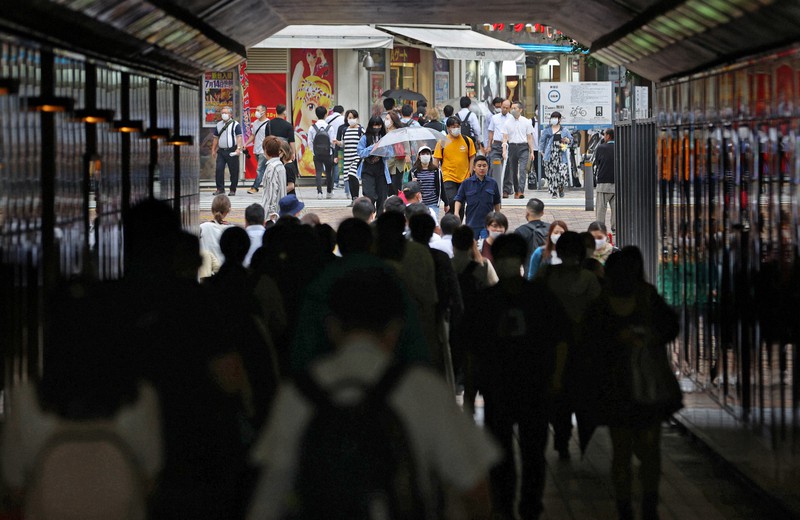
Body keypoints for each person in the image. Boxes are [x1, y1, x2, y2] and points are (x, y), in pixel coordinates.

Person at [247, 268, 498, 520]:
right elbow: (476, 491)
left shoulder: (297, 394)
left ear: (332, 326)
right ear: (395, 328)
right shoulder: (423, 388)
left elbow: (267, 500)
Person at [462, 234, 568, 520]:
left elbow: (471, 349)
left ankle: (514, 505)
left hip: (515, 385)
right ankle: (518, 505)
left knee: (517, 451)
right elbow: (560, 340)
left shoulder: (492, 300)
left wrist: (471, 391)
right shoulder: (537, 297)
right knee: (519, 451)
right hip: (516, 385)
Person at [587, 247, 680, 520]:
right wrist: (647, 337)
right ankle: (647, 504)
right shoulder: (647, 296)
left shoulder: (602, 303)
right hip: (643, 387)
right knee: (648, 451)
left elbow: (590, 343)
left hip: (618, 387)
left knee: (622, 451)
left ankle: (626, 506)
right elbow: (671, 327)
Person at [537, 231, 602, 461]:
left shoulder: (582, 277)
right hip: (562, 344)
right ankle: (566, 439)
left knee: (570, 395)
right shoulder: (555, 274)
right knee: (565, 396)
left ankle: (568, 440)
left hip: (576, 345)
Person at [434, 116, 477, 216]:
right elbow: (436, 159)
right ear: (448, 128)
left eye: (458, 126)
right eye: (453, 127)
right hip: (448, 177)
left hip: (464, 178)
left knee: (461, 203)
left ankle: (457, 223)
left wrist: (470, 173)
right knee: (452, 201)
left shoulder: (467, 141)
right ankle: (449, 221)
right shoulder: (442, 142)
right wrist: (435, 176)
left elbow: (472, 157)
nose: (456, 129)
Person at [452, 155, 501, 239]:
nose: (482, 168)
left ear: (488, 167)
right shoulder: (466, 183)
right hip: (472, 223)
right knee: (472, 245)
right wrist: (456, 213)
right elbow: (459, 199)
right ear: (474, 168)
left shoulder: (493, 183)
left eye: (484, 166)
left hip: (488, 224)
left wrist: (498, 216)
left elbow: (497, 201)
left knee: (486, 245)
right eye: (479, 166)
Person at [357, 115, 392, 214]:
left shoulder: (385, 138)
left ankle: (379, 217)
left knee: (382, 196)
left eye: (379, 125)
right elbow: (360, 152)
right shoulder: (364, 138)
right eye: (374, 125)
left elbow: (390, 154)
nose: (377, 128)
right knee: (370, 195)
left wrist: (382, 150)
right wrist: (373, 147)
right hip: (368, 169)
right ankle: (369, 214)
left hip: (381, 169)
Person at [501, 101, 535, 199]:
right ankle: (516, 190)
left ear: (520, 110)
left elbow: (529, 138)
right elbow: (505, 138)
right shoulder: (507, 122)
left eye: (515, 108)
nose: (512, 110)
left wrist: (532, 151)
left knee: (522, 169)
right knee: (513, 171)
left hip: (523, 147)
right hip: (512, 147)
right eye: (512, 108)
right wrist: (504, 151)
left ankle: (521, 191)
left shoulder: (526, 122)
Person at [211, 106, 243, 196]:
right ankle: (220, 189)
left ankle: (232, 189)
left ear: (230, 114)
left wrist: (238, 148)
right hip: (221, 151)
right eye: (222, 113)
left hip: (232, 150)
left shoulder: (235, 124)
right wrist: (213, 149)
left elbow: (239, 137)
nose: (224, 115)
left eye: (226, 113)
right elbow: (215, 138)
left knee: (234, 171)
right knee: (219, 169)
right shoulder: (218, 125)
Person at [540, 110, 573, 198]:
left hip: (561, 154)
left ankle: (561, 187)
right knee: (551, 175)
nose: (554, 119)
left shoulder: (564, 130)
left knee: (562, 174)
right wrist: (542, 152)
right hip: (550, 155)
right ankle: (554, 192)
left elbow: (571, 140)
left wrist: (567, 140)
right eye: (553, 118)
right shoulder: (547, 130)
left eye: (556, 118)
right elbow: (542, 142)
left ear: (559, 119)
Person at [333, 109, 364, 203]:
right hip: (347, 157)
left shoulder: (361, 130)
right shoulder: (345, 130)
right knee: (349, 178)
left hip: (357, 157)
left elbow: (365, 142)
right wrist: (338, 143)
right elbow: (344, 143)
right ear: (346, 118)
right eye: (349, 117)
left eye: (353, 117)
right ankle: (353, 198)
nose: (351, 119)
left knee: (352, 174)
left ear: (357, 118)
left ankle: (356, 197)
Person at [410, 145, 448, 218]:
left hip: (433, 203)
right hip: (419, 204)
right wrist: (412, 183)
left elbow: (441, 187)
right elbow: (409, 188)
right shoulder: (414, 172)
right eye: (423, 154)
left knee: (432, 222)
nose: (425, 156)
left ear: (430, 156)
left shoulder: (436, 171)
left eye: (427, 154)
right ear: (419, 156)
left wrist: (446, 203)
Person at [514, 197, 550, 276]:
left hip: (530, 275)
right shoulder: (550, 228)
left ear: (527, 212)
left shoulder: (520, 231)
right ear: (542, 213)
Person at [307, 105, 336, 199]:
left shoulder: (312, 127)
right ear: (325, 114)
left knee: (318, 172)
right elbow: (332, 141)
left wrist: (313, 151)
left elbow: (309, 141)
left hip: (317, 154)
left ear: (316, 115)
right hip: (328, 153)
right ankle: (329, 192)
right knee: (329, 172)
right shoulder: (329, 127)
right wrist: (331, 151)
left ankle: (319, 192)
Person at [199, 194, 233, 270]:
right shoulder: (232, 230)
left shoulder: (202, 227)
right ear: (229, 210)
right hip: (226, 272)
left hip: (207, 272)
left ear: (212, 209)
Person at [260, 136, 288, 220]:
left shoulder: (272, 167)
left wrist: (271, 212)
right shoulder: (280, 165)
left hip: (271, 213)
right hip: (281, 209)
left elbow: (272, 191)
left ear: (266, 150)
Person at [594, 128, 616, 232]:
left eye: (604, 135)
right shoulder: (620, 147)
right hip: (617, 182)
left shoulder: (601, 148)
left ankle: (600, 229)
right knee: (616, 209)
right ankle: (615, 228)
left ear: (608, 136)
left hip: (603, 181)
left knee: (601, 209)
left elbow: (597, 163)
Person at [384, 111, 411, 194]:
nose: (386, 121)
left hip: (398, 162)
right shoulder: (384, 132)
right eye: (385, 119)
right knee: (388, 185)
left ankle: (397, 199)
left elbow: (406, 143)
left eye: (387, 119)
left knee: (396, 184)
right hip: (387, 162)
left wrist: (407, 155)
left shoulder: (400, 132)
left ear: (393, 121)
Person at [245, 104, 270, 194]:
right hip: (256, 150)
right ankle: (269, 186)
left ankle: (255, 187)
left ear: (264, 112)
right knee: (264, 170)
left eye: (258, 110)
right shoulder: (255, 123)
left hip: (264, 150)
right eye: (256, 110)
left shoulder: (268, 123)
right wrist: (246, 143)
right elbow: (253, 135)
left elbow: (270, 137)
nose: (256, 112)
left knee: (260, 170)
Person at [486, 99, 511, 187]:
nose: (504, 109)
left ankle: (506, 189)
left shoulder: (512, 118)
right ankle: (493, 186)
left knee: (507, 167)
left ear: (509, 108)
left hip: (508, 144)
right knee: (493, 165)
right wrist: (489, 146)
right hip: (496, 144)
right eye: (503, 107)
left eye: (507, 108)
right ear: (501, 106)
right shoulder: (494, 118)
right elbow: (491, 132)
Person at [325, 105, 345, 188]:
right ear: (342, 112)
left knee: (331, 162)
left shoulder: (328, 119)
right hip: (340, 142)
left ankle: (332, 181)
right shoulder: (343, 118)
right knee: (339, 161)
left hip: (330, 143)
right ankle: (337, 181)